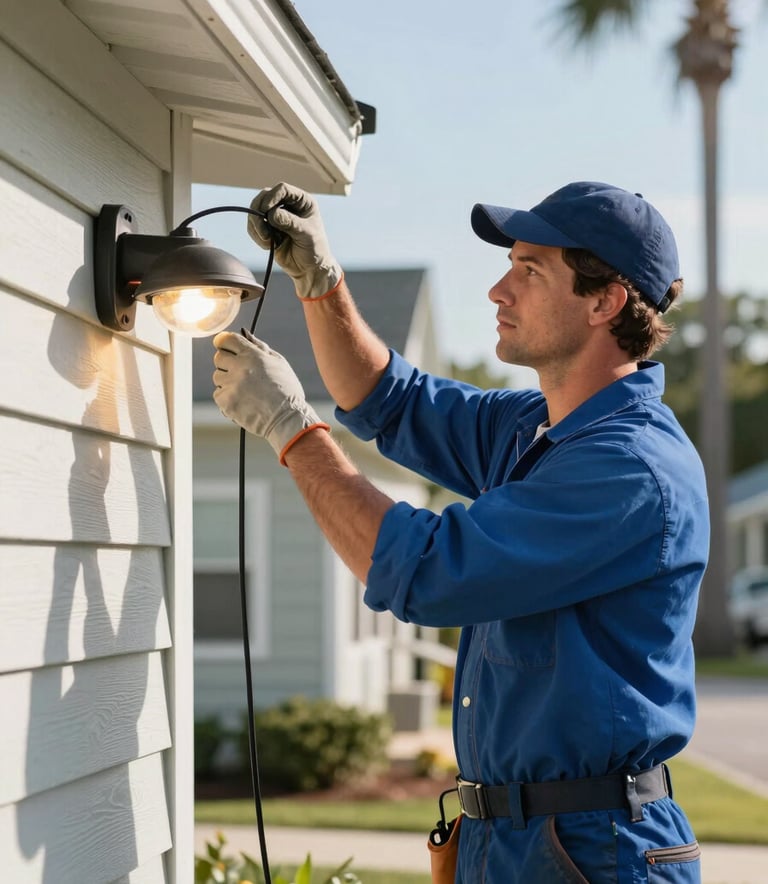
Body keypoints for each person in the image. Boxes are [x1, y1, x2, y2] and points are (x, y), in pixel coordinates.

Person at [212, 181, 709, 883]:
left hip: (594, 852)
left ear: (606, 302)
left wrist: (293, 430)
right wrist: (319, 281)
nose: (498, 291)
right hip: (509, 841)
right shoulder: (537, 431)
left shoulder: (627, 468)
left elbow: (428, 571)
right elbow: (391, 399)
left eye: (529, 271)